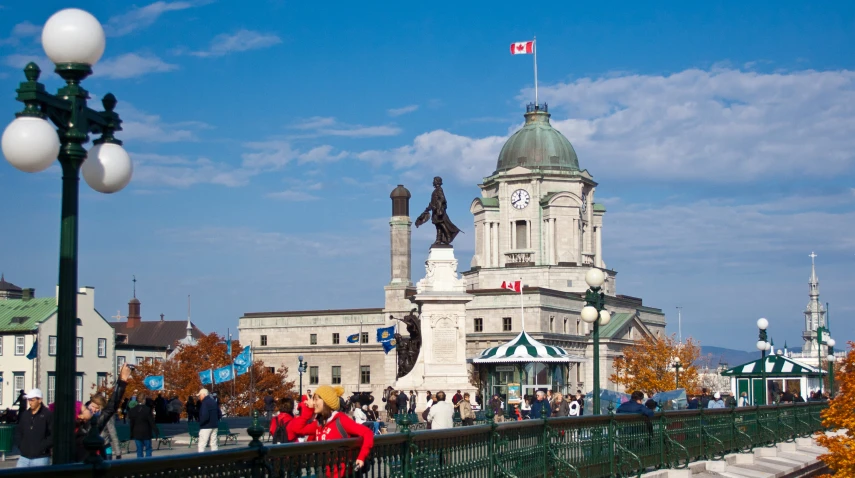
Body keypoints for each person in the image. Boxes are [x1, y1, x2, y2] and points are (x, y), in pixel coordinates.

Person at [288, 385, 374, 476]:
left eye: (316, 399)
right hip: (325, 472)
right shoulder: (319, 424)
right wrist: (308, 410)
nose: (313, 402)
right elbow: (297, 429)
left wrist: (361, 457)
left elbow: (367, 433)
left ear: (325, 402)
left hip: (343, 473)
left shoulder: (341, 420)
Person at [72, 364, 131, 462]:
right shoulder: (88, 428)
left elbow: (110, 408)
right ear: (80, 416)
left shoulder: (86, 426)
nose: (89, 409)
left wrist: (122, 381)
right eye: (85, 408)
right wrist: (122, 380)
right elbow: (111, 407)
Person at [13, 388, 51, 468]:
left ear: (39, 400)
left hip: (41, 457)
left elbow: (53, 434)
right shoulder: (25, 415)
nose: (30, 402)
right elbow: (19, 431)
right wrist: (21, 446)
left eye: (32, 400)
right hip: (24, 457)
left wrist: (43, 447)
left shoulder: (47, 414)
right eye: (29, 400)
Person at [88, 395, 121, 460]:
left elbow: (113, 434)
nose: (94, 410)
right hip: (91, 448)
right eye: (92, 406)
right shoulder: (87, 414)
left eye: (97, 408)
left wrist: (118, 453)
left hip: (105, 446)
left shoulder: (106, 416)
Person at [128, 390, 157, 458]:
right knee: (148, 449)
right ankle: (148, 463)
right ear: (144, 400)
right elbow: (151, 421)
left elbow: (132, 423)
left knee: (139, 450)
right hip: (146, 432)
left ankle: (140, 464)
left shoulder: (132, 410)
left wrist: (131, 433)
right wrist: (155, 430)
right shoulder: (147, 409)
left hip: (136, 432)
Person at [197, 388, 221, 453]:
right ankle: (215, 459)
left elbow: (205, 415)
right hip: (214, 425)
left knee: (202, 444)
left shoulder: (205, 403)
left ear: (204, 395)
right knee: (214, 444)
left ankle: (201, 459)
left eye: (200, 395)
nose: (199, 397)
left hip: (206, 426)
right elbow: (219, 413)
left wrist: (201, 423)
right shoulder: (213, 402)